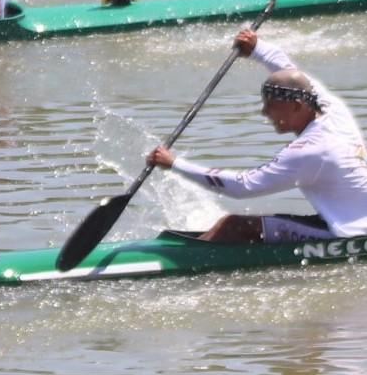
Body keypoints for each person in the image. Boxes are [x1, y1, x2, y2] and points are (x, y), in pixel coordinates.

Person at [144, 29, 367, 242]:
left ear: (297, 106)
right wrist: (257, 47)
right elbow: (287, 69)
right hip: (353, 218)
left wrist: (174, 163)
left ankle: (185, 263)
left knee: (233, 226)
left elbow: (242, 187)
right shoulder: (330, 108)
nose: (264, 112)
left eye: (272, 106)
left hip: (351, 235)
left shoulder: (310, 151)